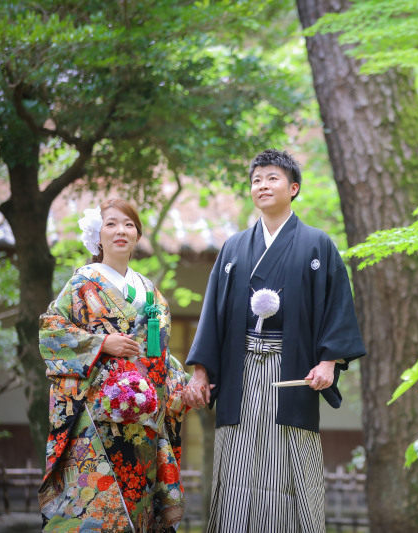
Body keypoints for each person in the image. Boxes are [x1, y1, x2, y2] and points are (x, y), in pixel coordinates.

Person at [183, 148, 366, 532]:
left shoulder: (319, 245)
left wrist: (328, 362)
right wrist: (201, 372)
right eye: (256, 180)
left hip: (293, 370)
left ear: (293, 188)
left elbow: (337, 308)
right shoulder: (233, 248)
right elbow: (212, 314)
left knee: (291, 458)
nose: (262, 185)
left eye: (272, 178)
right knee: (237, 460)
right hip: (241, 371)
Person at [38, 198, 189, 532]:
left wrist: (183, 388)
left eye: (129, 224)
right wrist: (102, 344)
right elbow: (52, 331)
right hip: (95, 421)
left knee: (139, 509)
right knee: (97, 504)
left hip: (143, 424)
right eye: (111, 223)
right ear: (98, 235)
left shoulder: (150, 294)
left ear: (137, 235)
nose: (121, 230)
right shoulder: (82, 284)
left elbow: (160, 357)